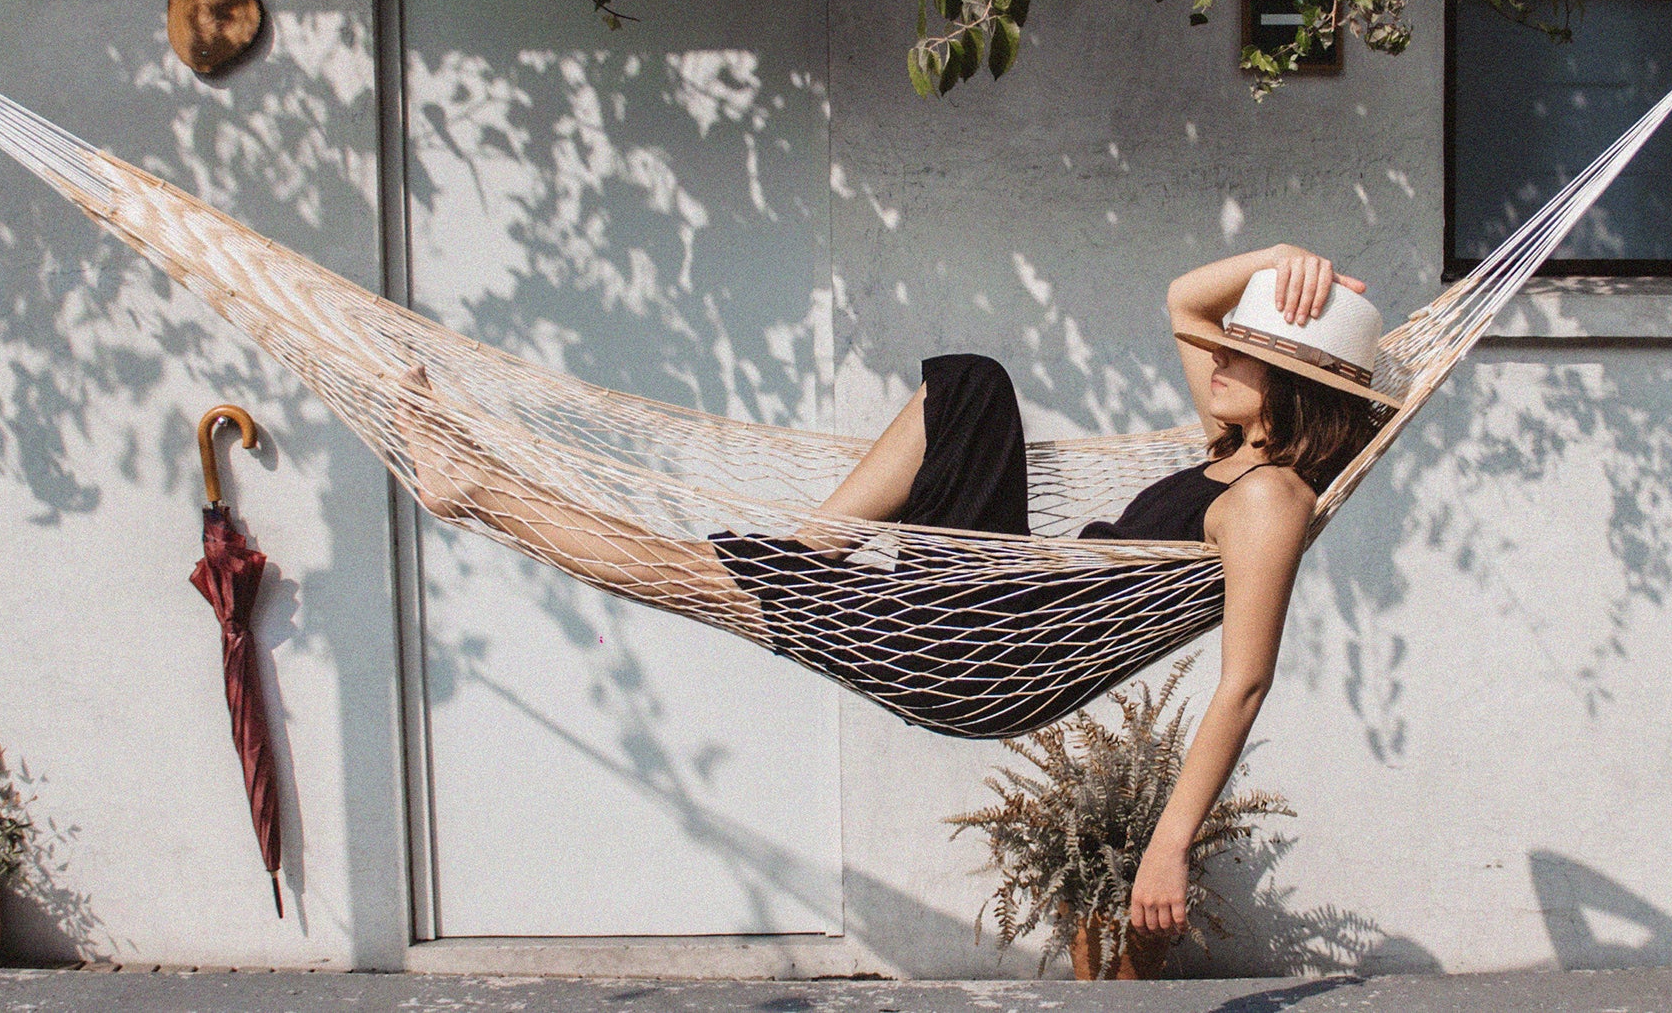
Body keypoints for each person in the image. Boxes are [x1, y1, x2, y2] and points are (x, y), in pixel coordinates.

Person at [397, 242, 1394, 940]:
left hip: (994, 652)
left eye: (1246, 350)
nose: (1217, 351)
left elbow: (1242, 683)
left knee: (700, 574)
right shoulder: (1230, 449)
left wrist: (1167, 846)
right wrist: (1277, 259)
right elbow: (1183, 299)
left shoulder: (1269, 498)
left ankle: (473, 488)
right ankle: (802, 554)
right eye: (1232, 340)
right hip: (1000, 601)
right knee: (970, 388)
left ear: (1297, 382)